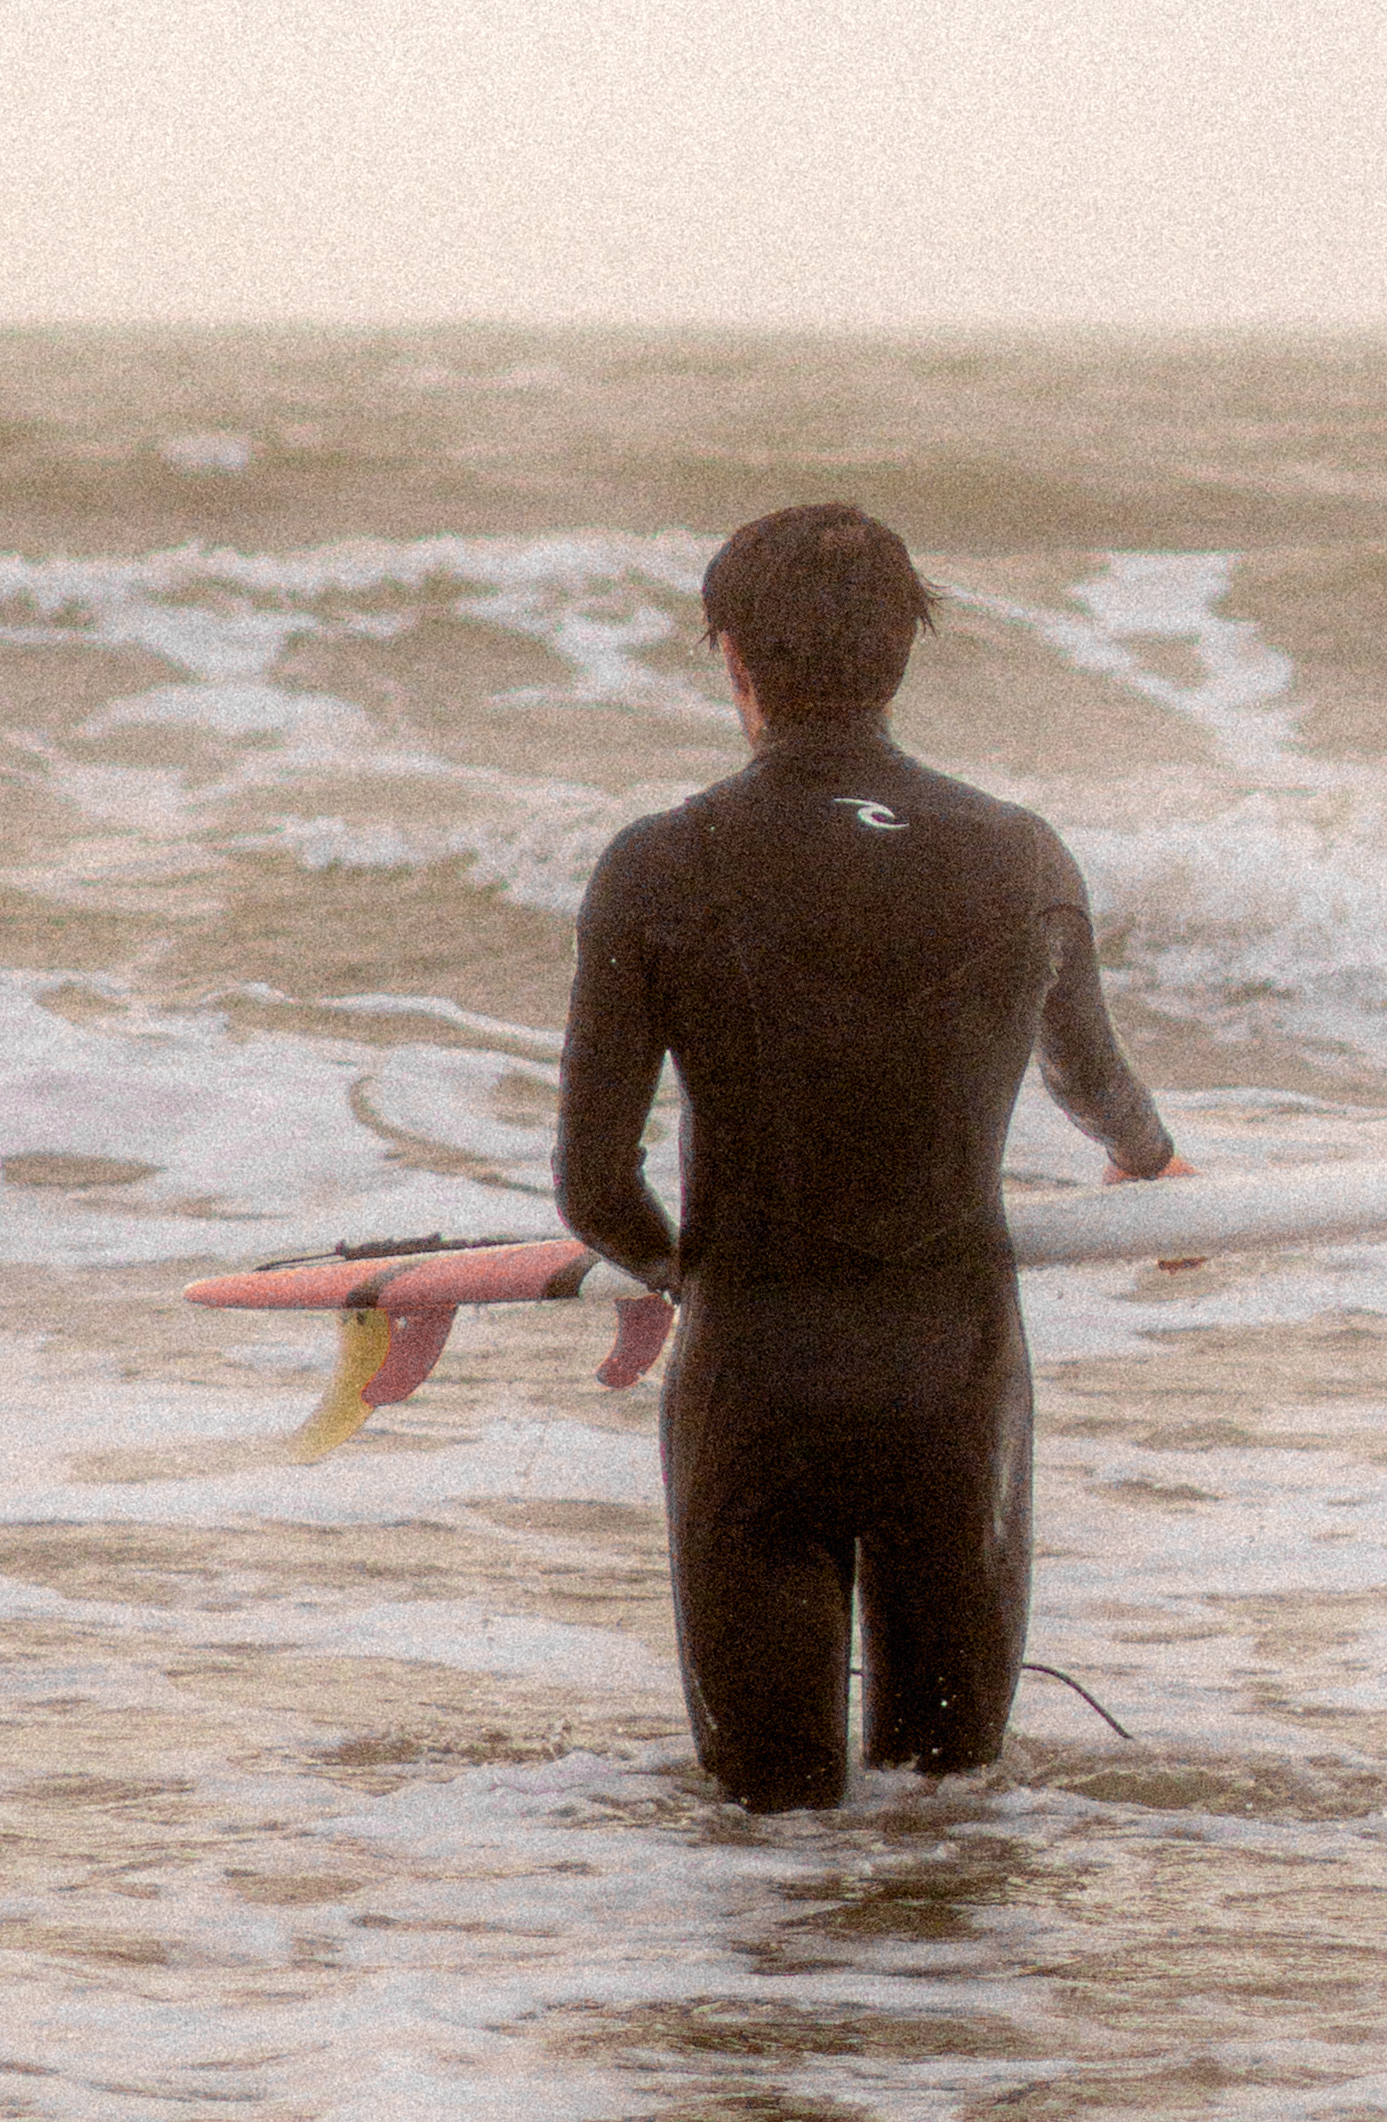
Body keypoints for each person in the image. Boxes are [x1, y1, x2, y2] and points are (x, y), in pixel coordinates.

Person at [554, 503, 1189, 1812]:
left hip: (760, 1385)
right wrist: (1153, 1161)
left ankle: (788, 2013)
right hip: (953, 1388)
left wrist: (672, 1275)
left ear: (733, 657)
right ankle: (933, 2011)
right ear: (904, 649)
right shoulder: (1022, 858)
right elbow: (1094, 1080)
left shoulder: (657, 866)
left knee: (769, 1827)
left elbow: (594, 1185)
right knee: (945, 1820)